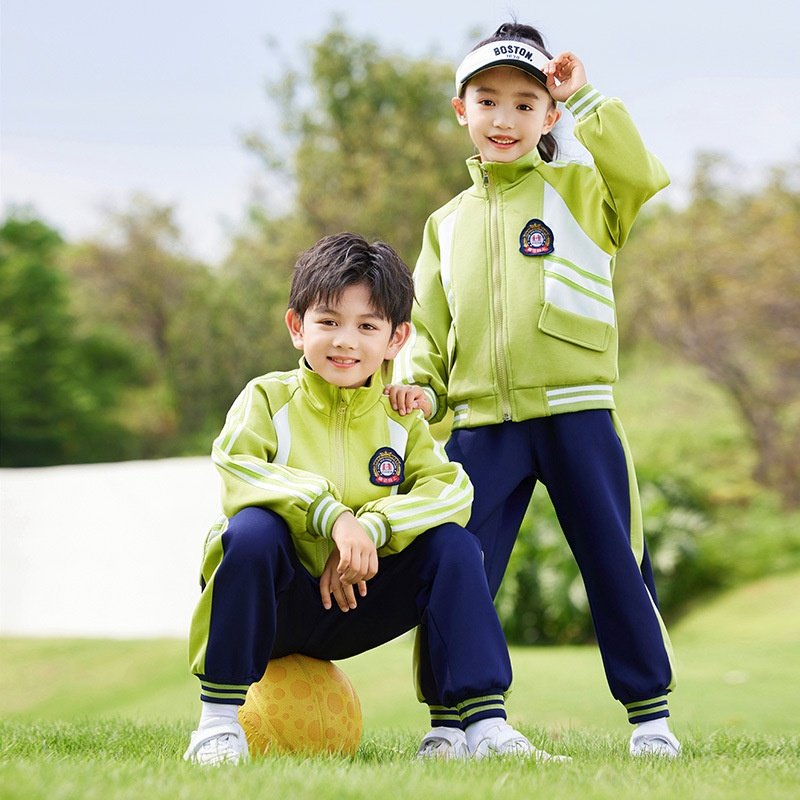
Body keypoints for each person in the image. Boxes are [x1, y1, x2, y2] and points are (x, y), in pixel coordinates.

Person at [388, 22, 681, 758]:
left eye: (526, 104)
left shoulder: (586, 193)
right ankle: (451, 724)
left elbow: (641, 174)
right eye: (488, 101)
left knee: (615, 559)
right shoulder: (445, 224)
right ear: (462, 111)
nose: (505, 119)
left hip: (578, 413)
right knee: (455, 562)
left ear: (549, 116)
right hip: (482, 426)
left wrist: (587, 98)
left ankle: (651, 719)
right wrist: (420, 389)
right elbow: (424, 325)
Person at [184, 232, 562, 765]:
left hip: (355, 600)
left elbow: (451, 490)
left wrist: (373, 527)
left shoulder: (400, 417)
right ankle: (217, 727)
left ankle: (481, 728)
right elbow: (237, 467)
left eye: (367, 326)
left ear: (395, 338)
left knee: (453, 546)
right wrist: (333, 517)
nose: (345, 341)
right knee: (250, 531)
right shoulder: (267, 398)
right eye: (329, 322)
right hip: (277, 603)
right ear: (297, 327)